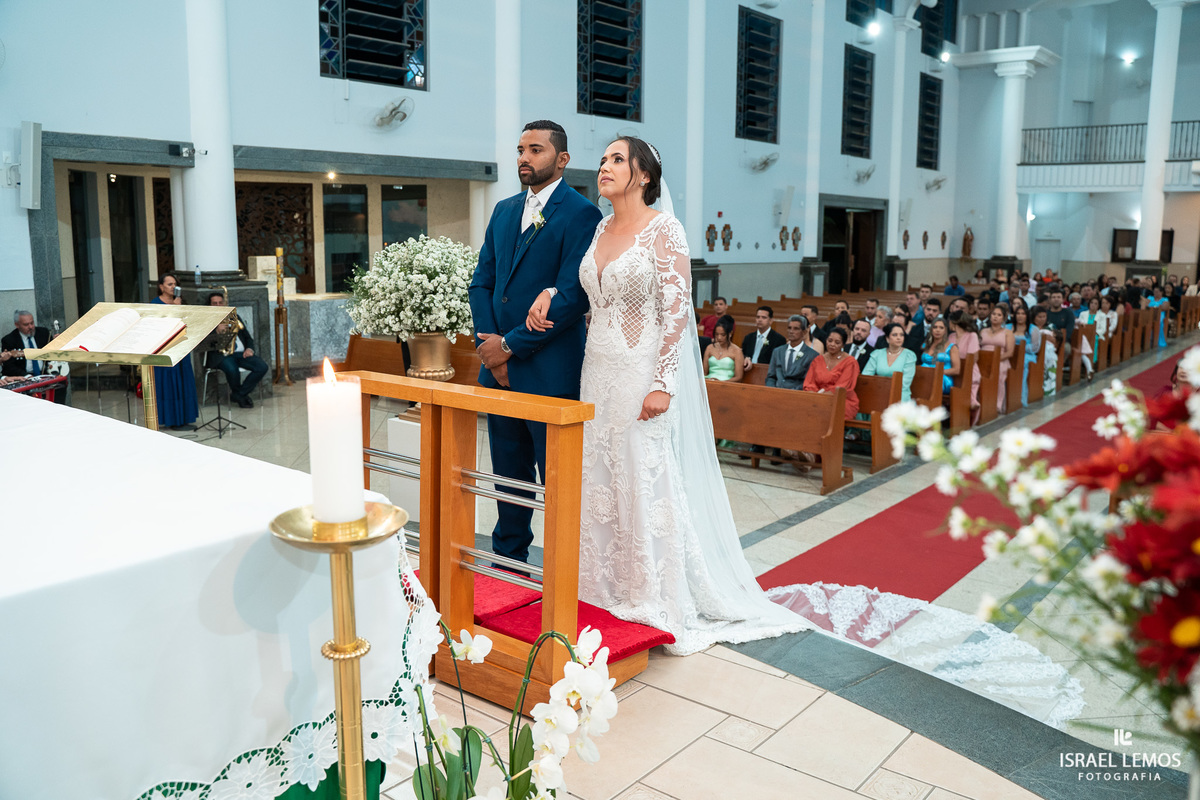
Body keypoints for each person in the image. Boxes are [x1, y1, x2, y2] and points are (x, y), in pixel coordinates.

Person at [533, 135, 804, 654]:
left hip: (639, 374)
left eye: (617, 159)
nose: (605, 167)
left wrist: (663, 382)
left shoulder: (664, 230)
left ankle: (650, 593)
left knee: (641, 477)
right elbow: (593, 296)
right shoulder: (601, 228)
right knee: (600, 477)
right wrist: (551, 293)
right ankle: (601, 587)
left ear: (644, 175)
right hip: (597, 372)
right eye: (605, 159)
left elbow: (676, 314)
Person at [471, 119, 603, 565]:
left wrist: (508, 347)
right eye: (521, 150)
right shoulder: (505, 209)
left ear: (562, 159)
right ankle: (508, 563)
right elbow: (482, 283)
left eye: (536, 150)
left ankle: (567, 572)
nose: (524, 158)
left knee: (556, 482)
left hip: (550, 374)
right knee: (507, 476)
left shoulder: (582, 214)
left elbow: (570, 297)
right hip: (499, 371)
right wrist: (489, 346)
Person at [151, 273, 200, 431]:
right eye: (169, 284)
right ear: (161, 287)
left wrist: (180, 308)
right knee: (169, 384)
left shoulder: (180, 301)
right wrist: (175, 308)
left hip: (181, 347)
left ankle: (185, 418)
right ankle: (172, 419)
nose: (173, 287)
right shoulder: (155, 304)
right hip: (165, 349)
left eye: (175, 284)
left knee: (183, 381)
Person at [205, 292, 269, 408]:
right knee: (232, 369)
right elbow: (205, 344)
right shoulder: (207, 321)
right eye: (215, 303)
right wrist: (216, 331)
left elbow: (248, 337)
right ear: (210, 305)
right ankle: (241, 397)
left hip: (241, 353)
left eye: (220, 303)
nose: (218, 306)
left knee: (262, 367)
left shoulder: (233, 316)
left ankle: (238, 394)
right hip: (221, 355)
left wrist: (249, 349)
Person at [803, 326, 860, 419]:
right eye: (830, 341)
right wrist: (814, 395)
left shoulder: (850, 362)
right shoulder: (818, 359)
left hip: (841, 400)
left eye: (837, 342)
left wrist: (822, 397)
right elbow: (809, 382)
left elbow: (843, 387)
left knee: (822, 409)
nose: (832, 344)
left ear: (843, 345)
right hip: (817, 397)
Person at [862, 323, 917, 402]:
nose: (899, 338)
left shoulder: (909, 356)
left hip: (900, 395)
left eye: (901, 335)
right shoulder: (877, 354)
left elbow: (905, 383)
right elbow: (866, 376)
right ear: (887, 338)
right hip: (878, 393)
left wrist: (882, 387)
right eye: (895, 335)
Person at [765, 315, 818, 389]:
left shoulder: (812, 355)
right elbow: (771, 377)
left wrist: (792, 393)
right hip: (776, 392)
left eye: (796, 329)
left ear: (804, 332)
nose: (791, 331)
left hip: (797, 395)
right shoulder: (778, 351)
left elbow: (808, 381)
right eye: (789, 328)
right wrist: (772, 389)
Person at [979, 305, 1015, 414]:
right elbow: (978, 347)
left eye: (999, 315)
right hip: (983, 360)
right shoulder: (983, 331)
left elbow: (1010, 352)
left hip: (1001, 360)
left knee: (998, 373)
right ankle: (981, 401)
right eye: (994, 314)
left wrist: (995, 360)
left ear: (1003, 318)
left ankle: (997, 404)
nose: (995, 317)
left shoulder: (1008, 333)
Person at [947, 311, 981, 412]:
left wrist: (961, 367)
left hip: (968, 369)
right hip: (953, 368)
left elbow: (974, 357)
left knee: (967, 384)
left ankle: (971, 402)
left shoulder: (972, 335)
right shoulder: (951, 336)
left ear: (954, 322)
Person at [1, 311, 50, 379]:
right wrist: (27, 376)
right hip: (24, 376)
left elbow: (52, 353)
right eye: (26, 324)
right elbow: (9, 366)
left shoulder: (43, 333)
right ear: (17, 325)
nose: (30, 327)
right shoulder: (9, 340)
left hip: (46, 373)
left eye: (32, 323)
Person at [740, 305, 786, 371]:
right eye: (758, 317)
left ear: (771, 320)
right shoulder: (749, 337)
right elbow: (742, 354)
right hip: (747, 370)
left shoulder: (779, 339)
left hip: (765, 373)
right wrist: (746, 358)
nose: (760, 320)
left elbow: (777, 362)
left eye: (764, 317)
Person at [922, 318, 961, 395]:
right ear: (931, 329)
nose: (937, 330)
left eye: (941, 328)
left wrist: (937, 372)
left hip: (943, 379)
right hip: (927, 377)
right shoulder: (926, 345)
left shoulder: (952, 347)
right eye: (935, 327)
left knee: (927, 383)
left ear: (945, 330)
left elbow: (956, 370)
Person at [1031, 306, 1058, 396]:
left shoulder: (1050, 327)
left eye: (1044, 316)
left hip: (1048, 352)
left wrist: (1049, 338)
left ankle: (1048, 389)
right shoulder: (1031, 327)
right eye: (1039, 317)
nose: (1042, 319)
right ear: (1034, 317)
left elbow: (1055, 341)